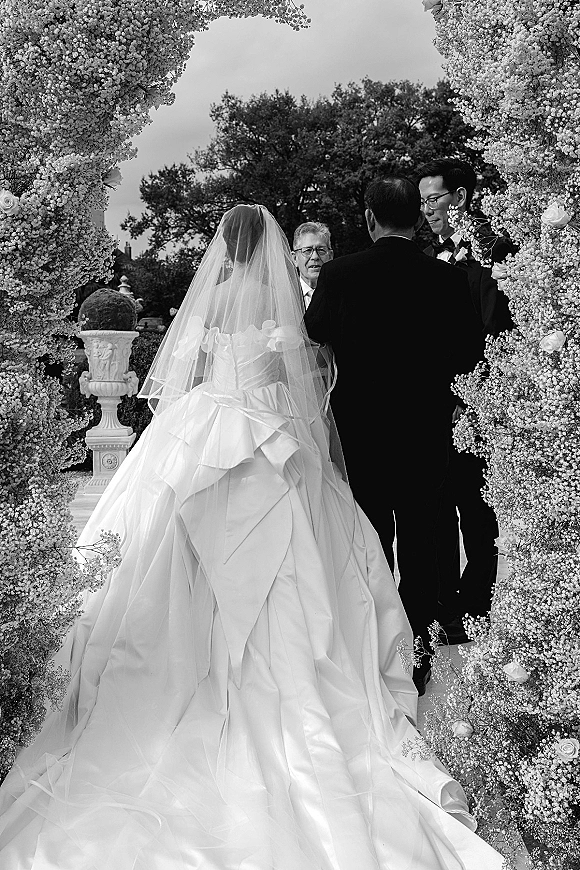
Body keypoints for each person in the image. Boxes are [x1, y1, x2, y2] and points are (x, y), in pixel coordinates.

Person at [0, 205, 503, 869]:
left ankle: (187, 654)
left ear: (223, 249)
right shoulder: (279, 302)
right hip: (268, 433)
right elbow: (301, 381)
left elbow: (186, 373)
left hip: (203, 426)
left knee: (165, 546)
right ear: (268, 248)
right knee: (301, 556)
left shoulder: (211, 299)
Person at [304, 178, 484, 694]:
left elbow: (314, 332)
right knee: (423, 538)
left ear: (369, 219)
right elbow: (469, 352)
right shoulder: (445, 278)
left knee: (372, 536)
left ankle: (378, 646)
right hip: (426, 428)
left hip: (361, 429)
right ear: (417, 218)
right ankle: (418, 651)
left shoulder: (340, 274)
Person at [417, 159, 515, 641]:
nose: (426, 209)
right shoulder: (425, 258)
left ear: (459, 197)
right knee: (437, 510)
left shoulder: (495, 250)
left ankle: (479, 602)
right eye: (422, 202)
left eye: (433, 199)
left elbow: (497, 330)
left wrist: (472, 395)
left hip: (477, 404)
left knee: (477, 512)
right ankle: (447, 607)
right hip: (431, 407)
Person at [291, 220, 333, 308]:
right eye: (308, 250)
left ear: (330, 256)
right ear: (295, 258)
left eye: (321, 250)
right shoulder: (283, 296)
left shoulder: (344, 295)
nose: (315, 257)